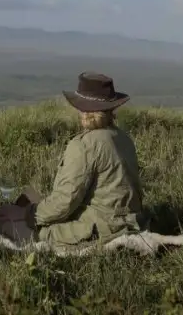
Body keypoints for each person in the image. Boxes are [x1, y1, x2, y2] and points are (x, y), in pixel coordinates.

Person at [27, 72, 148, 248]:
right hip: (133, 222)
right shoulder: (123, 138)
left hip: (102, 229)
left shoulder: (84, 145)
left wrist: (31, 215)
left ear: (83, 109)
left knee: (35, 233)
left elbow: (65, 201)